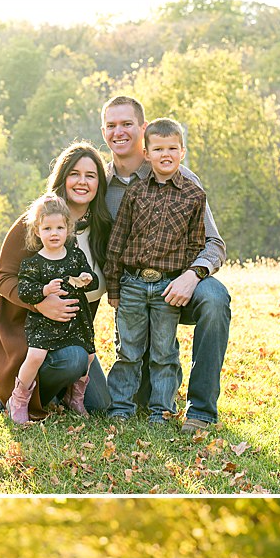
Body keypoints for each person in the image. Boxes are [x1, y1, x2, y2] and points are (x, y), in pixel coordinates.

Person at [98, 95, 231, 434]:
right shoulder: (99, 181)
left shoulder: (183, 180)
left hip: (178, 284)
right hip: (131, 288)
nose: (119, 132)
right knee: (134, 369)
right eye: (112, 126)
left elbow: (214, 244)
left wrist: (191, 276)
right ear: (103, 131)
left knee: (215, 300)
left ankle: (200, 411)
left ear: (142, 130)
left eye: (127, 124)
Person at [0, 141, 112, 420]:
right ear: (62, 178)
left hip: (71, 332)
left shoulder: (101, 227)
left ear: (99, 183)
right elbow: (3, 278)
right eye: (74, 174)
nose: (82, 181)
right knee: (75, 359)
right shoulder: (37, 222)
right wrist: (40, 303)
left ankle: (56, 392)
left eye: (91, 176)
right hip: (24, 331)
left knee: (100, 404)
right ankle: (17, 390)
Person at [5, 196, 98, 424]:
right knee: (36, 356)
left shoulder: (76, 256)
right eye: (47, 228)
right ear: (37, 231)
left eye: (59, 227)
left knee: (89, 356)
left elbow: (92, 280)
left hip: (76, 321)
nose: (54, 233)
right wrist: (44, 290)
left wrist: (87, 278)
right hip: (44, 323)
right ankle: (18, 398)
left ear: (68, 229)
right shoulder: (33, 263)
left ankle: (75, 398)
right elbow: (25, 290)